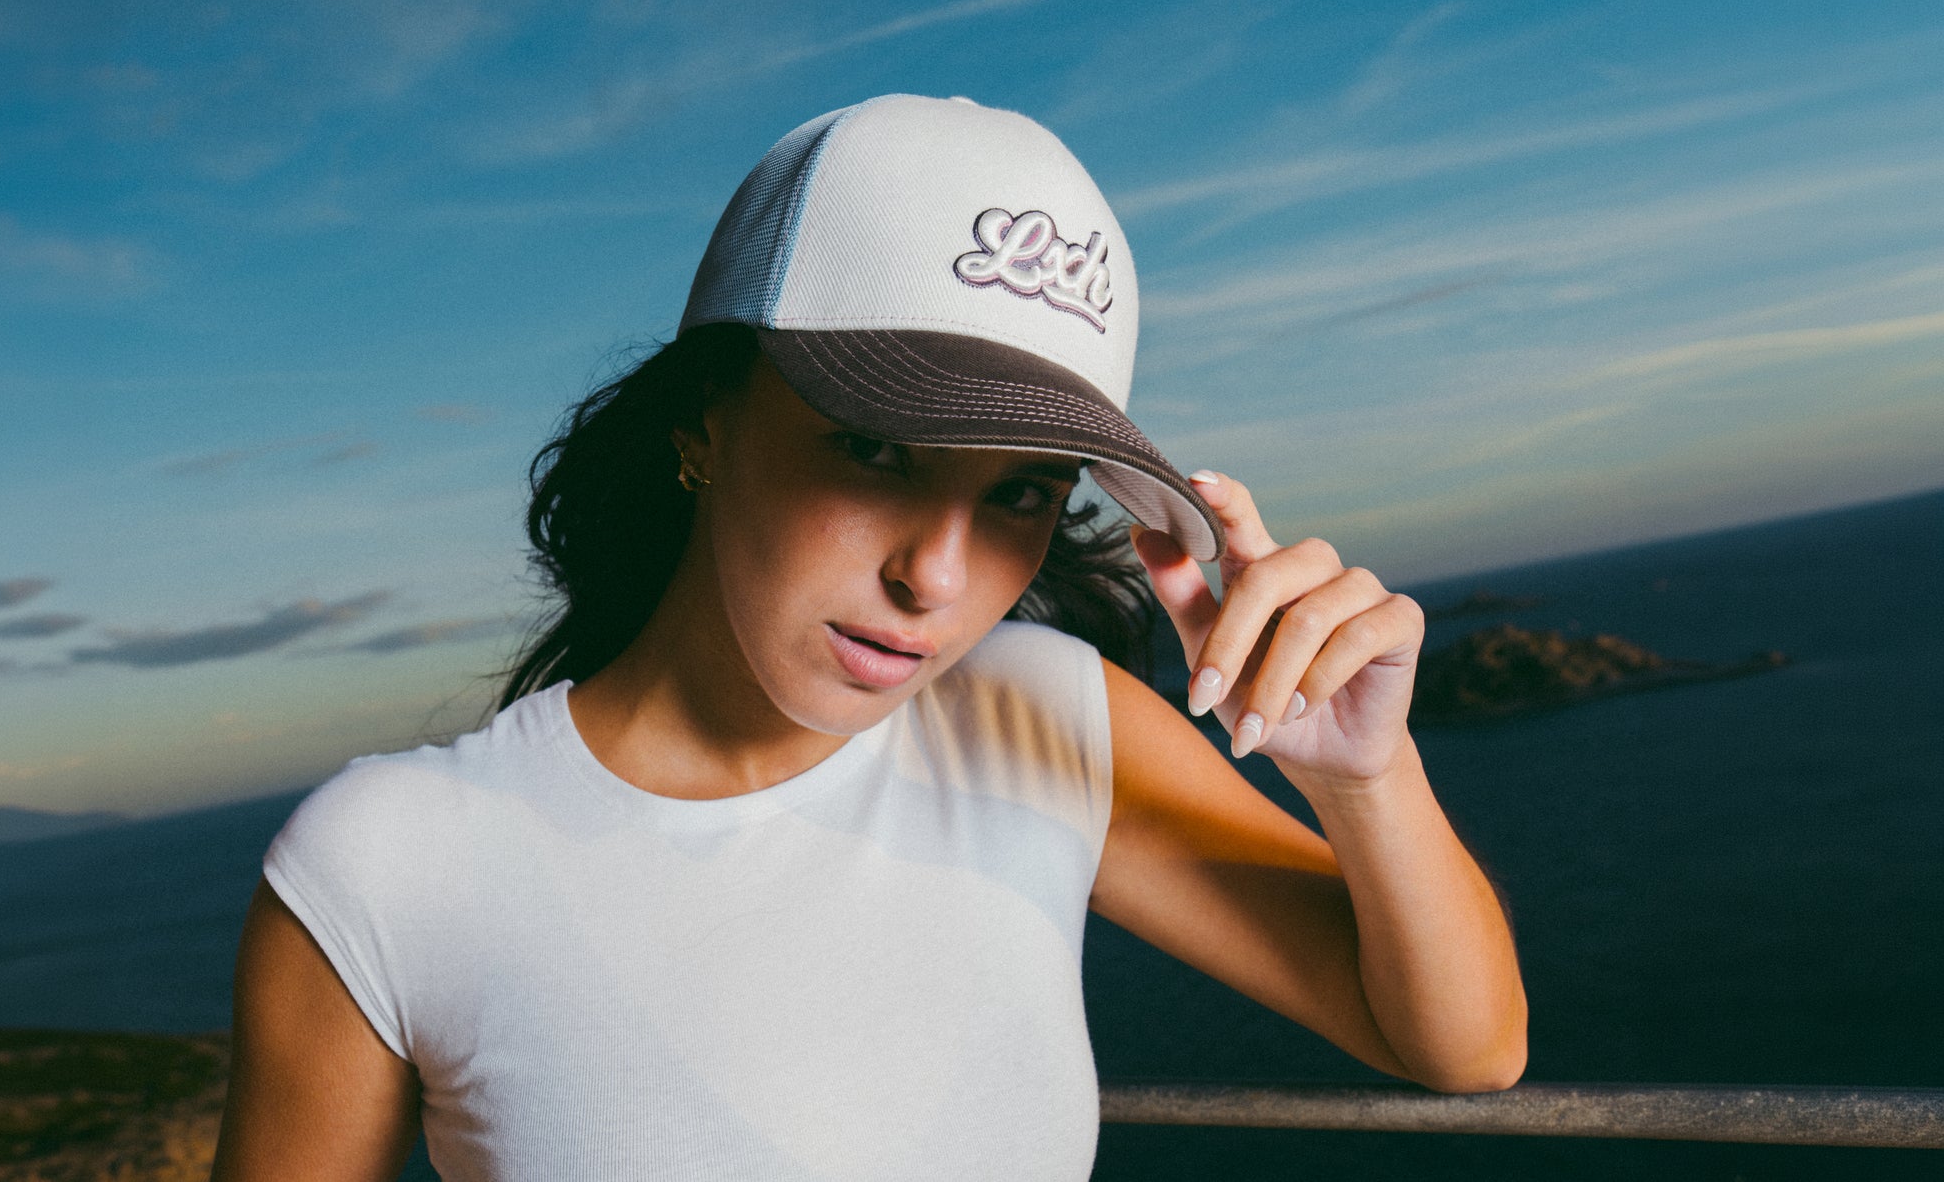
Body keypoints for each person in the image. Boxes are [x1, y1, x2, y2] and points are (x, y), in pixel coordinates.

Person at [209, 94, 1528, 1180]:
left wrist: (1365, 777)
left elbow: (1465, 1048)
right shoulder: (389, 866)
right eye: (874, 452)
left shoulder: (1046, 716)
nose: (936, 575)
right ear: (702, 421)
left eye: (1019, 492)